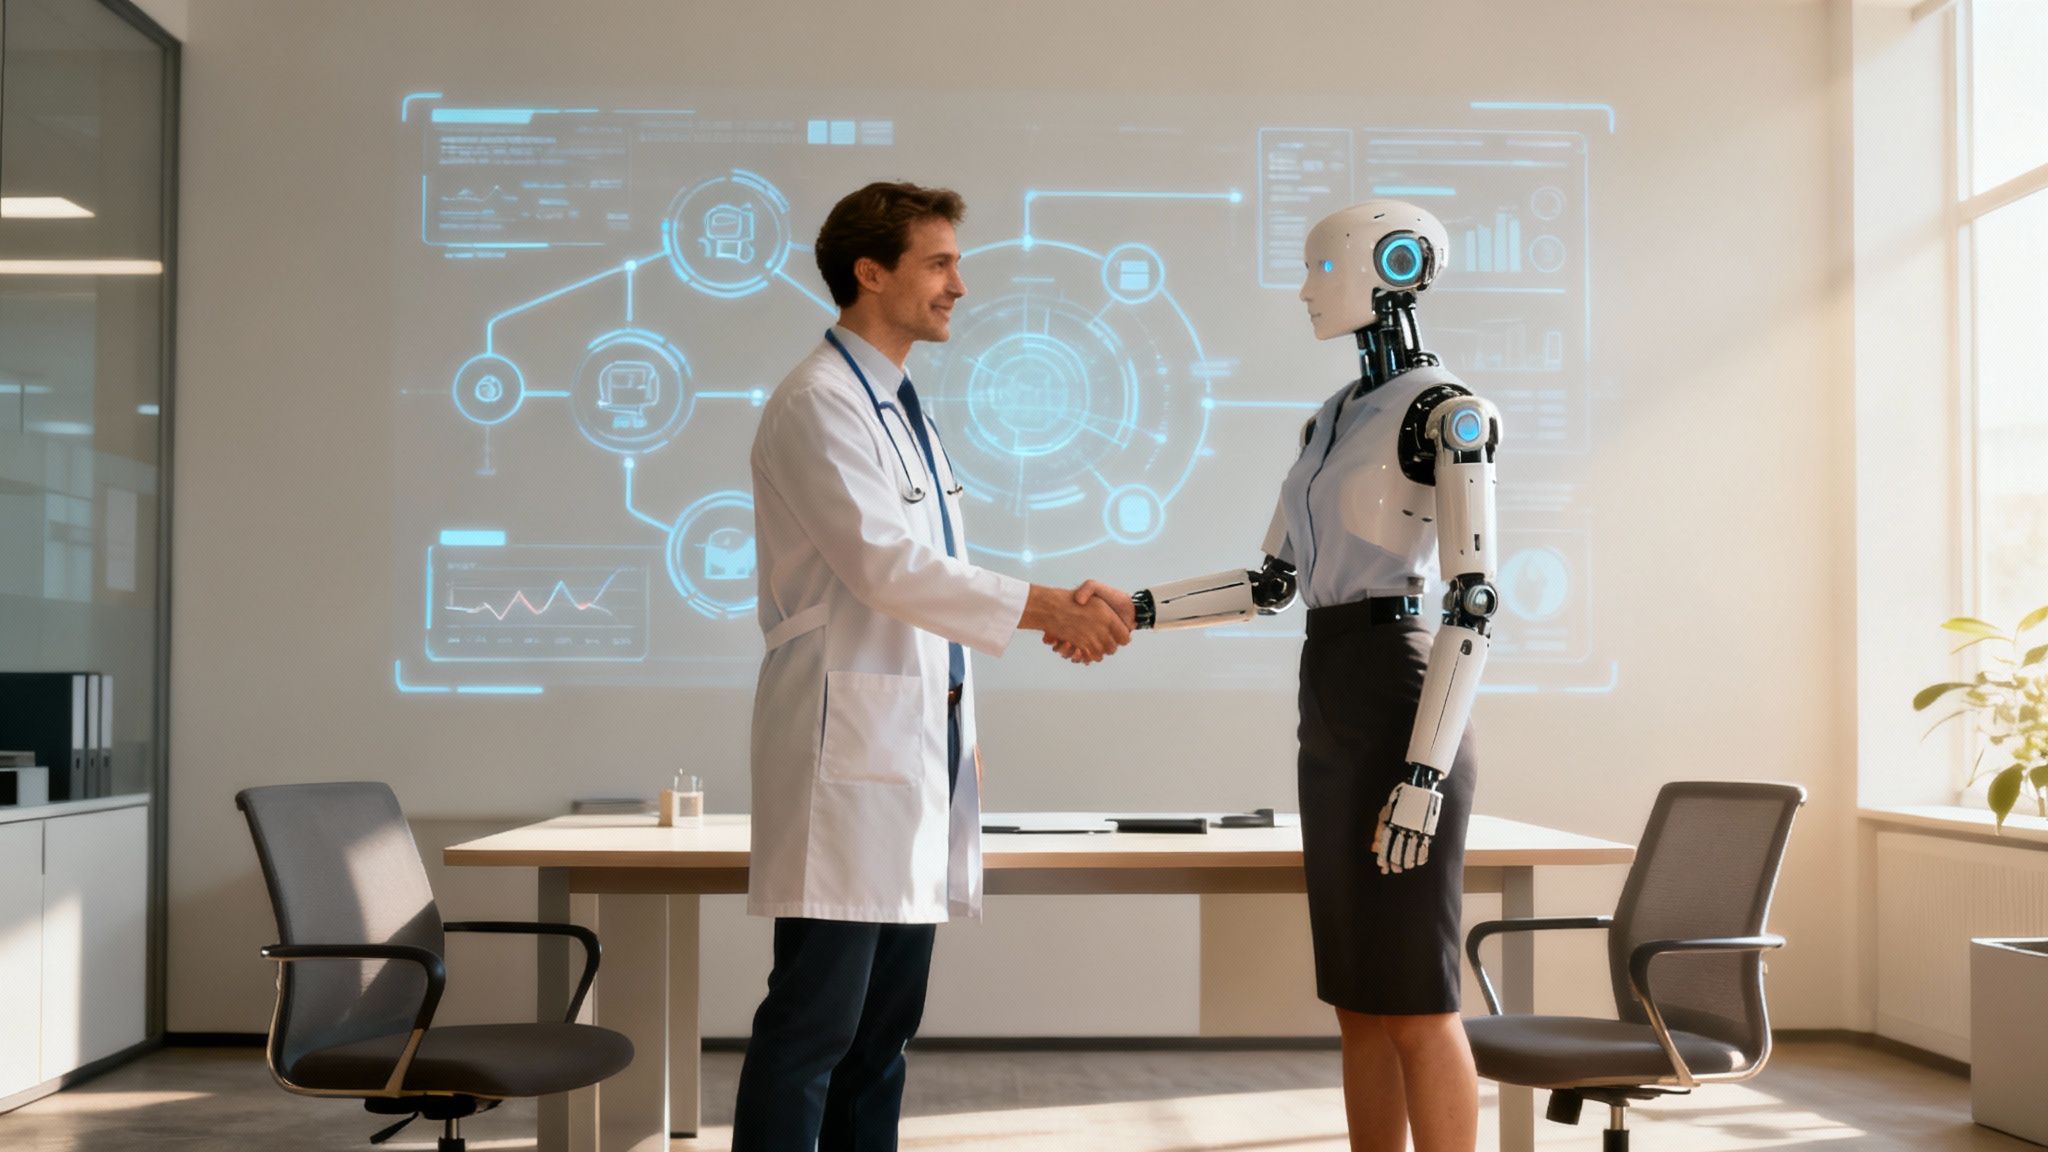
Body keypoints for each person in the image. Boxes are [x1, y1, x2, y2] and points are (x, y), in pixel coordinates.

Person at [1066, 200, 1502, 1152]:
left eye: (1320, 266)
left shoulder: (1448, 410)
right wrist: (1133, 608)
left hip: (1401, 695)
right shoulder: (1333, 415)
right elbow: (1271, 582)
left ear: (1391, 263)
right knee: (1358, 998)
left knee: (1420, 1001)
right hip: (1332, 694)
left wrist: (1423, 775)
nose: (1306, 288)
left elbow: (1473, 600)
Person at [733, 180, 1131, 1152]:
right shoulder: (818, 404)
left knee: (881, 1037)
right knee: (814, 1029)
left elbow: (931, 592)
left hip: (913, 758)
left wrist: (964, 735)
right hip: (848, 762)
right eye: (939, 261)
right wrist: (1050, 611)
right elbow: (888, 569)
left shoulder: (899, 407)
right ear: (870, 272)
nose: (960, 283)